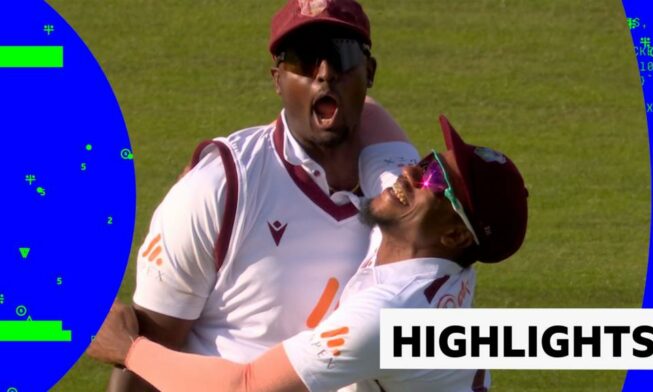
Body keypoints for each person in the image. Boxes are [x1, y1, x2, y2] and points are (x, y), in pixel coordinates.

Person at [89, 115, 529, 392]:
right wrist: (224, 168)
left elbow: (246, 386)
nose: (412, 171)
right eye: (431, 160)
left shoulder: (390, 317)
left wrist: (130, 350)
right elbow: (371, 112)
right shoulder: (411, 226)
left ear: (455, 237)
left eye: (436, 181)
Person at [109, 0, 420, 390]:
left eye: (341, 55)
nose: (324, 74)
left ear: (369, 72)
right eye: (305, 60)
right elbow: (143, 359)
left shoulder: (408, 199)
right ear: (277, 79)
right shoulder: (219, 189)